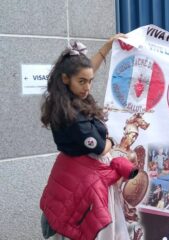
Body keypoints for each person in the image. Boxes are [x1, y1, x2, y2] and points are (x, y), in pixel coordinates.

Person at [40, 36, 138, 240]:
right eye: (82, 82)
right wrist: (111, 142)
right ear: (66, 79)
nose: (87, 87)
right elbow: (101, 148)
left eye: (90, 81)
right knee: (92, 229)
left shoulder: (65, 97)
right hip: (84, 178)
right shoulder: (74, 117)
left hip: (72, 173)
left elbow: (84, 72)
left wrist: (108, 45)